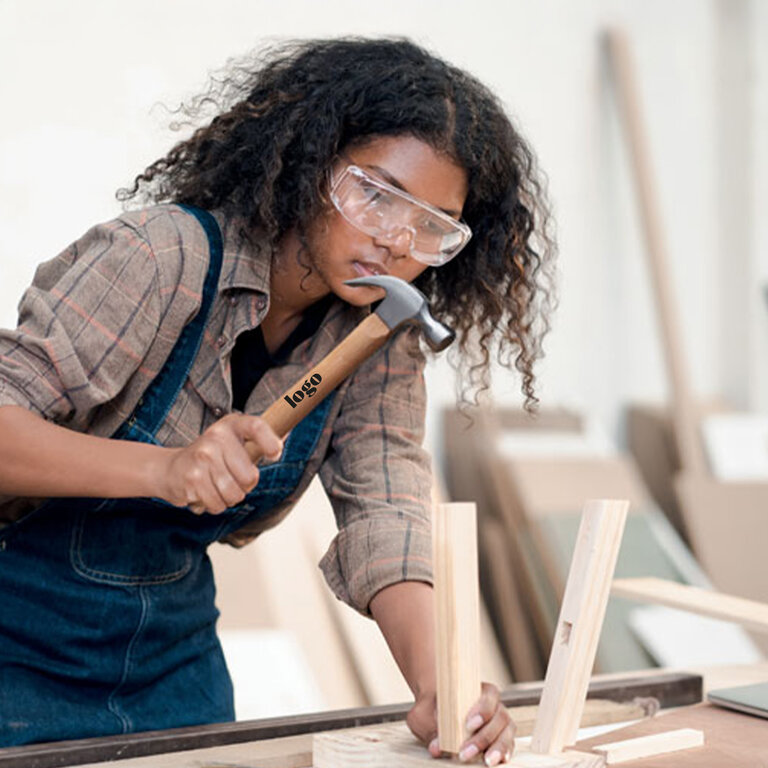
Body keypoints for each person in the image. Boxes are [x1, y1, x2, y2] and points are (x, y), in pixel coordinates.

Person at [0, 37, 555, 762]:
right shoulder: (162, 259)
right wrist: (160, 471)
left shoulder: (379, 336)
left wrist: (437, 685)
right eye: (376, 194)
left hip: (173, 665)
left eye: (431, 226)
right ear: (311, 163)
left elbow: (386, 513)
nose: (396, 240)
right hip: (16, 649)